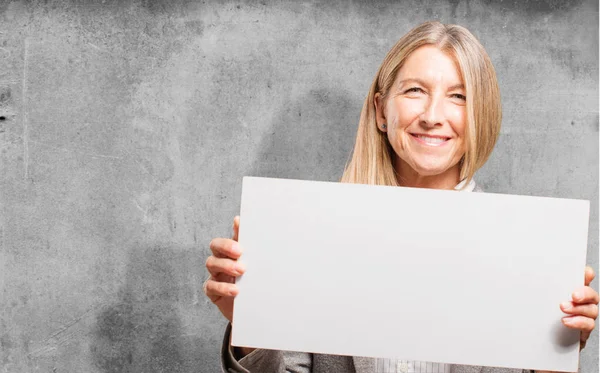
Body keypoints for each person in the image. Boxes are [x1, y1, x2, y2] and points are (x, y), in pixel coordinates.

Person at [204, 21, 599, 373]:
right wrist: (251, 327)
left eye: (458, 97)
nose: (432, 114)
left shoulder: (527, 251)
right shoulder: (314, 232)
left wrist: (555, 356)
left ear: (482, 114)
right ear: (381, 110)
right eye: (415, 91)